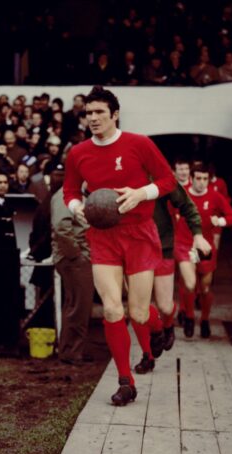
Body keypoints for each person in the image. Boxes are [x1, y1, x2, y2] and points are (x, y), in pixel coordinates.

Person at [63, 85, 177, 406]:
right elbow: (70, 191)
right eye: (89, 113)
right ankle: (125, 381)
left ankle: (161, 328)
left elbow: (168, 180)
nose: (94, 118)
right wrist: (77, 209)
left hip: (140, 233)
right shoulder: (78, 153)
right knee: (113, 308)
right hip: (103, 235)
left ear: (115, 114)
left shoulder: (139, 144)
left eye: (100, 112)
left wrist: (141, 193)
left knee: (138, 312)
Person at [133, 180, 212, 374]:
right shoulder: (121, 170)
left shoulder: (159, 174)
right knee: (137, 308)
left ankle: (166, 325)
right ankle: (147, 356)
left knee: (165, 306)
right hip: (134, 246)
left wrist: (197, 234)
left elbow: (186, 204)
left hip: (162, 246)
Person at [174, 162, 232, 338]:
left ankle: (204, 319)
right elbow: (168, 211)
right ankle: (188, 316)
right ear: (191, 178)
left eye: (205, 179)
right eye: (198, 178)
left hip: (204, 246)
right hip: (186, 244)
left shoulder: (215, 196)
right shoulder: (182, 193)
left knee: (205, 287)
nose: (202, 182)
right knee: (189, 282)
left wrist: (221, 221)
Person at [51, 179, 94, 365]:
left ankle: (71, 349)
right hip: (74, 258)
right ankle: (72, 351)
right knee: (79, 304)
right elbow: (61, 227)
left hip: (77, 257)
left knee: (76, 303)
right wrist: (77, 255)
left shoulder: (77, 195)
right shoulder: (66, 195)